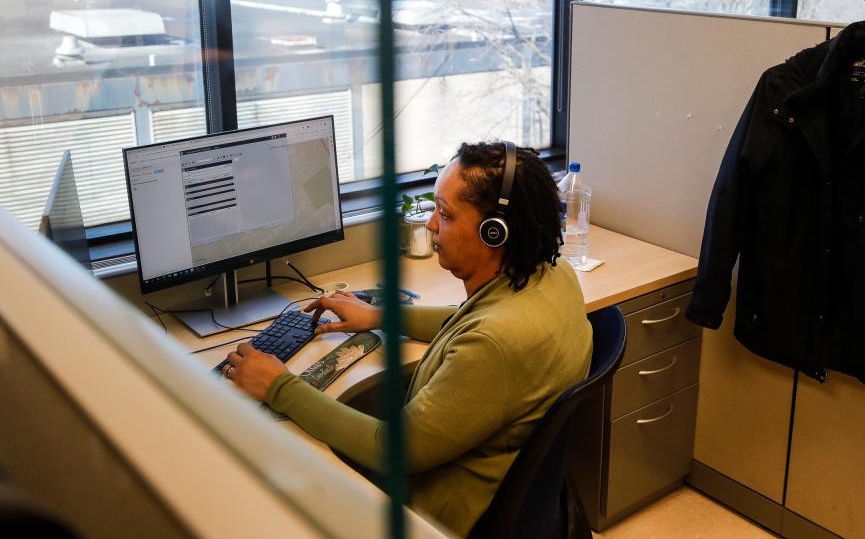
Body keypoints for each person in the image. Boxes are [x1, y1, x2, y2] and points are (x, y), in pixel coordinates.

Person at [220, 141, 592, 536]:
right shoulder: (555, 278)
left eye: (445, 214)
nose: (431, 224)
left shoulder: (494, 346)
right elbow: (472, 319)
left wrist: (280, 386)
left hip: (434, 517)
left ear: (495, 232)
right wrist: (381, 316)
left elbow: (388, 449)